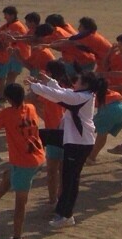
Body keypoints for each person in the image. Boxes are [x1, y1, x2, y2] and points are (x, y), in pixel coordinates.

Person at [27, 68, 101, 229]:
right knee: (41, 135)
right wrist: (49, 81)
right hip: (73, 140)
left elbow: (61, 96)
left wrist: (36, 87)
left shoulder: (82, 97)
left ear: (86, 84)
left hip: (78, 144)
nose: (75, 83)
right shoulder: (83, 95)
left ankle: (65, 215)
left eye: (78, 81)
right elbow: (63, 92)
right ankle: (64, 214)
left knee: (70, 180)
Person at [0, 83, 46, 239]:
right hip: (37, 156)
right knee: (8, 175)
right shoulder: (30, 108)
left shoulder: (6, 114)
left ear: (8, 99)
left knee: (20, 204)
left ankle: (17, 238)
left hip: (25, 162)